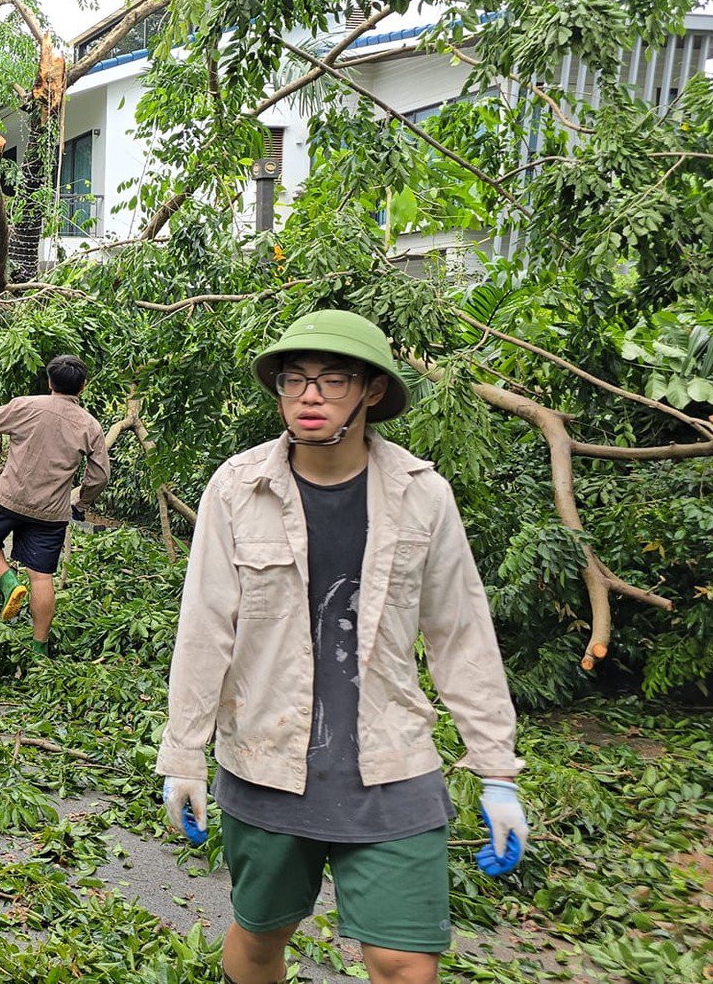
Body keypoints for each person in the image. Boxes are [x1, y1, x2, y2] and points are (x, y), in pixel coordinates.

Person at [157, 309, 528, 984]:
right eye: (295, 379)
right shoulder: (238, 489)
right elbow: (206, 626)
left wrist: (496, 771)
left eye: (332, 379)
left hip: (392, 762)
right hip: (267, 760)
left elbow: (460, 632)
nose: (309, 395)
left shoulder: (425, 496)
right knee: (262, 939)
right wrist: (183, 754)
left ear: (371, 391)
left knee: (404, 962)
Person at [0, 354, 110, 657]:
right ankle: (39, 650)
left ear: (49, 382)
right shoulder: (90, 425)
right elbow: (100, 475)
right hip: (51, 512)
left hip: (8, 498)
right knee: (42, 577)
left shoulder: (25, 405)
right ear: (82, 387)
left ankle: (8, 580)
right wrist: (83, 500)